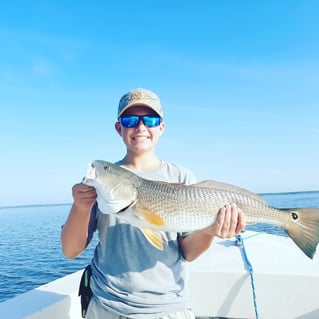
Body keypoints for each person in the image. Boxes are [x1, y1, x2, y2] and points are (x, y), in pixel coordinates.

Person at [61, 88, 246, 319]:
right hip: (106, 305)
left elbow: (188, 253)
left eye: (149, 119)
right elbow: (70, 250)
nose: (140, 127)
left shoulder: (182, 177)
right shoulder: (101, 183)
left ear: (161, 127)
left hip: (168, 307)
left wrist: (209, 231)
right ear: (119, 128)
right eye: (130, 120)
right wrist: (81, 207)